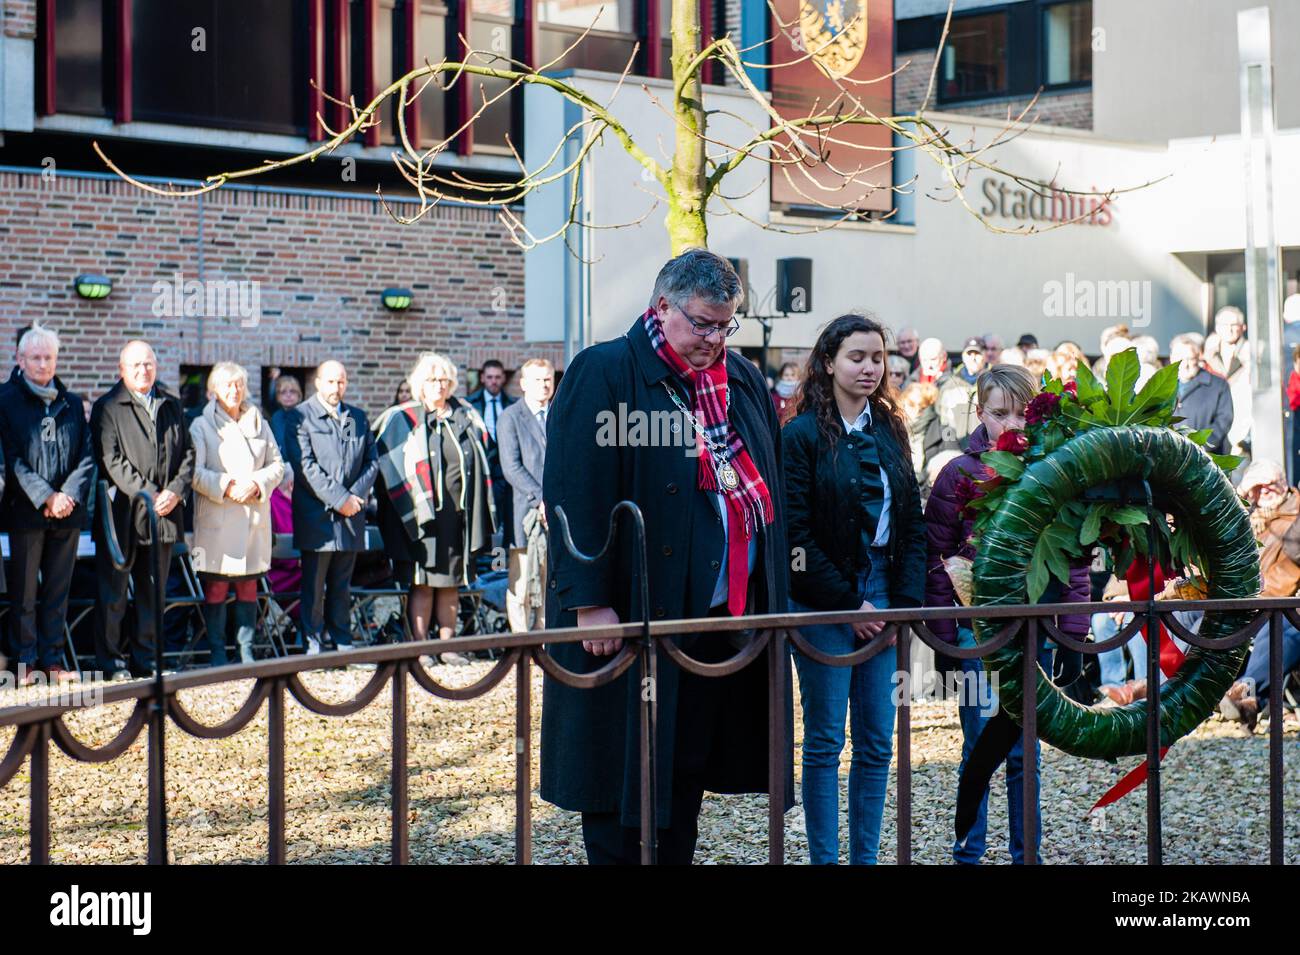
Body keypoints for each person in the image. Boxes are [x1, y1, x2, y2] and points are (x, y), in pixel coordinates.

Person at [541, 248, 791, 865]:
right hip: (631, 619)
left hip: (713, 621)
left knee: (684, 774)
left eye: (725, 325)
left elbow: (771, 479)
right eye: (702, 323)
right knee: (621, 778)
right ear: (662, 307)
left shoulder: (742, 381)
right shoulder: (603, 371)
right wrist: (591, 601)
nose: (714, 338)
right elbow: (575, 489)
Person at [925, 364, 1090, 864]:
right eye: (1000, 414)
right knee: (979, 746)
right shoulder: (959, 473)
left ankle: (1026, 856)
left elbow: (1073, 561)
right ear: (980, 413)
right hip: (979, 635)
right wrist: (943, 638)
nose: (1011, 425)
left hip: (1033, 632)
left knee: (1025, 753)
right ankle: (968, 855)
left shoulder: (1053, 468)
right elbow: (937, 558)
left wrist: (1074, 636)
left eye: (1022, 413)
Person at [784, 314, 927, 864]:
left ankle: (864, 858)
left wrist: (902, 608)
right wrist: (849, 602)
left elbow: (911, 523)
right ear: (828, 362)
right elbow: (794, 536)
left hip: (886, 591)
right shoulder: (799, 436)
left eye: (877, 358)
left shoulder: (890, 428)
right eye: (856, 357)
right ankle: (826, 860)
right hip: (824, 595)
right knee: (824, 742)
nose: (869, 368)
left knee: (877, 742)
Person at [375, 352, 494, 665]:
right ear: (419, 384)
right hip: (420, 516)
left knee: (452, 581)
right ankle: (420, 647)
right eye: (432, 380)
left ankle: (447, 646)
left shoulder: (465, 415)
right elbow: (387, 464)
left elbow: (484, 453)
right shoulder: (403, 418)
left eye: (444, 379)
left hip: (457, 515)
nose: (438, 385)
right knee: (423, 581)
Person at [91, 340, 195, 679]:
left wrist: (175, 492)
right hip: (123, 517)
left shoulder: (172, 405)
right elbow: (112, 461)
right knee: (114, 594)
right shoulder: (108, 408)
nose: (143, 370)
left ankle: (147, 660)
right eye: (135, 365)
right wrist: (151, 495)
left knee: (153, 593)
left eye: (148, 364)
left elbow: (188, 455)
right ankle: (111, 663)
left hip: (163, 517)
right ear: (121, 370)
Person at [0, 325, 93, 685]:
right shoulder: (6, 401)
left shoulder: (70, 403)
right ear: (20, 360)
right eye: (35, 358)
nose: (42, 364)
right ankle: (24, 662)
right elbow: (11, 457)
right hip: (27, 511)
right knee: (24, 591)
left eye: (48, 358)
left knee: (57, 589)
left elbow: (86, 454)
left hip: (67, 513)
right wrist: (46, 496)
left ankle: (52, 660)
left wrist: (66, 494)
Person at [189, 362, 285, 666]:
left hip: (253, 516)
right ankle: (217, 650)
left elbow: (278, 465)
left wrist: (257, 483)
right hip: (219, 515)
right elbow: (195, 472)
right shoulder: (201, 426)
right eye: (227, 385)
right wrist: (228, 486)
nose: (234, 390)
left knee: (248, 585)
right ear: (214, 390)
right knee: (216, 586)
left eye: (239, 384)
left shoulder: (260, 422)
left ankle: (245, 650)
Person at [283, 360, 378, 655]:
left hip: (351, 515)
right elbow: (305, 466)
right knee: (314, 585)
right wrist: (340, 499)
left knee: (341, 583)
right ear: (317, 383)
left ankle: (343, 641)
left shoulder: (354, 418)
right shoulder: (301, 417)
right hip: (317, 516)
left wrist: (354, 498)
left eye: (341, 382)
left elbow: (368, 461)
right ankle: (312, 641)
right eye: (331, 382)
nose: (336, 388)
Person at [1219, 460, 1300, 730]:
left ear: (1284, 485)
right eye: (1257, 486)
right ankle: (1172, 688)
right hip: (1252, 600)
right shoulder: (1252, 518)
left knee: (1278, 625)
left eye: (1270, 484)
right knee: (1200, 619)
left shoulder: (1294, 516)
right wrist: (1241, 494)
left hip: (1280, 603)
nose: (1263, 491)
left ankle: (1247, 695)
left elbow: (1291, 563)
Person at [497, 358, 553, 632]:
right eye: (537, 380)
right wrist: (540, 497)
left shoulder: (558, 413)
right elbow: (511, 467)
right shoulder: (511, 416)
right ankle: (520, 640)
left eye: (547, 379)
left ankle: (543, 637)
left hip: (556, 512)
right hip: (525, 511)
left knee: (547, 578)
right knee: (521, 580)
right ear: (523, 384)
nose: (544, 385)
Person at [468, 360, 516, 547]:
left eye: (497, 377)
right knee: (484, 519)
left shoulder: (512, 404)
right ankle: (484, 561)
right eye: (489, 377)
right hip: (483, 471)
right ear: (482, 378)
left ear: (503, 378)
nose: (493, 381)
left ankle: (502, 563)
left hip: (506, 472)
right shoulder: (471, 405)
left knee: (507, 520)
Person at [1169, 333, 1234, 455]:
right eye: (1179, 358)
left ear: (1199, 357)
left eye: (1190, 359)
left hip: (1208, 456)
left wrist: (1202, 445)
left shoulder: (1218, 385)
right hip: (1170, 456)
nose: (1184, 364)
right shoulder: (1163, 384)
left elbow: (1224, 420)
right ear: (1171, 358)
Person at [1203, 306, 1253, 455]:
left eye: (1234, 325)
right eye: (1224, 325)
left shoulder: (1252, 355)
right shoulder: (1206, 356)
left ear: (1243, 327)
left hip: (1242, 425)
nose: (1229, 329)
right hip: (1215, 424)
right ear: (1217, 328)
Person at [900, 381, 955, 504]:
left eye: (921, 407)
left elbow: (949, 460)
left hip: (931, 495)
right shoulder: (896, 428)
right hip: (904, 496)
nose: (915, 411)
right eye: (910, 404)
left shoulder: (943, 428)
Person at [936, 337, 985, 444]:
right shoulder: (949, 385)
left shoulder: (992, 385)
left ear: (985, 356)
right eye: (969, 354)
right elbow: (942, 419)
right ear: (963, 356)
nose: (973, 358)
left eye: (977, 354)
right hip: (954, 447)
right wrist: (949, 446)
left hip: (983, 450)